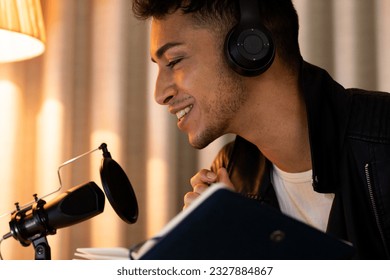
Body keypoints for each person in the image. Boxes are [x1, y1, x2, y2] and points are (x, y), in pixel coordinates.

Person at [132, 0, 390, 259]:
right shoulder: (230, 173)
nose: (159, 94)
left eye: (174, 61)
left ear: (249, 46)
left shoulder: (383, 139)